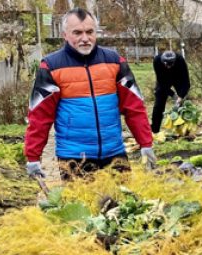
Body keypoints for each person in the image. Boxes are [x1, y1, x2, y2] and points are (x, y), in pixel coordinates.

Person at [24, 8, 156, 180]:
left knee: (124, 204)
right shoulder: (51, 67)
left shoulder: (115, 61)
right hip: (74, 158)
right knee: (83, 206)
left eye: (89, 32)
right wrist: (33, 157)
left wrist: (145, 143)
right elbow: (40, 116)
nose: (85, 38)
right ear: (65, 35)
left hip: (114, 153)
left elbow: (134, 107)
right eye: (77, 33)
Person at [150, 50, 191, 134]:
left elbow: (186, 82)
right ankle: (155, 129)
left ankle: (183, 130)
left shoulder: (180, 60)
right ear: (163, 62)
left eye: (171, 64)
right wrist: (173, 95)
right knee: (159, 104)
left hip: (178, 77)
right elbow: (161, 82)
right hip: (164, 80)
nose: (169, 67)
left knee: (182, 105)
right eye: (167, 65)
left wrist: (180, 96)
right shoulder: (157, 61)